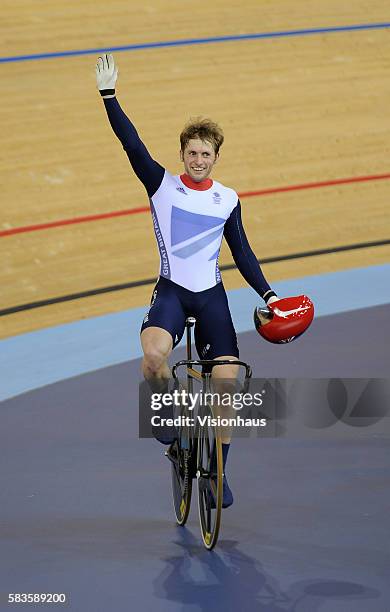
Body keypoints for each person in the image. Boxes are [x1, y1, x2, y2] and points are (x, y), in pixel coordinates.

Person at [96, 53, 278, 508]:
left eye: (206, 154)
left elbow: (243, 252)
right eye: (192, 153)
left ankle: (218, 470)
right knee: (155, 354)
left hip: (211, 296)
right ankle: (165, 415)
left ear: (216, 157)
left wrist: (269, 293)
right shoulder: (161, 185)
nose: (198, 160)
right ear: (182, 155)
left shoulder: (227, 199)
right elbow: (131, 144)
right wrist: (109, 98)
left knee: (228, 378)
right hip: (173, 292)